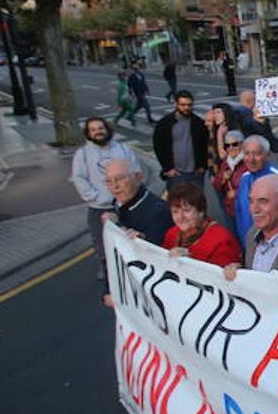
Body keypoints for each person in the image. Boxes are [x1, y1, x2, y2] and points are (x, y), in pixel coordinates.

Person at [70, 117, 138, 279]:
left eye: (100, 128)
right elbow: (79, 178)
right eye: (93, 130)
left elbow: (135, 170)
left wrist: (130, 194)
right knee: (102, 241)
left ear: (107, 129)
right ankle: (107, 268)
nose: (98, 132)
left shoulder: (122, 149)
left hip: (125, 204)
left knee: (130, 238)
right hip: (99, 208)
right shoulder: (83, 154)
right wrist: (96, 197)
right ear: (88, 133)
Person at [161, 181, 241, 267]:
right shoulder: (172, 233)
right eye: (175, 212)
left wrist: (190, 260)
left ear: (201, 211)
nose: (180, 217)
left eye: (186, 210)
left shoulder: (222, 241)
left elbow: (220, 278)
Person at [234, 135, 278, 247]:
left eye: (257, 154)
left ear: (268, 155)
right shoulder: (244, 178)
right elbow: (240, 214)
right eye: (247, 153)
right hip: (249, 247)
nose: (251, 159)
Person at [103, 157, 173, 246]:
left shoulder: (157, 212)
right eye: (108, 181)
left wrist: (143, 240)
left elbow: (161, 253)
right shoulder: (120, 202)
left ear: (138, 177)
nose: (114, 186)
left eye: (120, 178)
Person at [152, 90, 208, 187]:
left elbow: (204, 145)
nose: (187, 107)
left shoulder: (198, 123)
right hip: (176, 174)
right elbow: (159, 147)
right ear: (176, 104)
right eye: (183, 105)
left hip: (196, 173)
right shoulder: (164, 124)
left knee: (198, 201)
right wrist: (168, 168)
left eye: (189, 105)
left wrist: (203, 166)